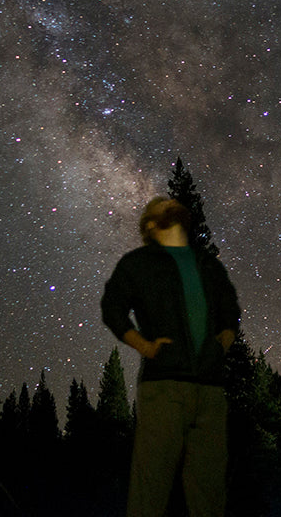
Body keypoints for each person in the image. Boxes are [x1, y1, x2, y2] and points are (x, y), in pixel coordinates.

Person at [101, 196, 241, 517]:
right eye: (161, 205)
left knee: (210, 494)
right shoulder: (137, 264)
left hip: (210, 392)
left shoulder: (207, 264)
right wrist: (144, 346)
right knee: (150, 489)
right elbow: (113, 308)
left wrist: (223, 343)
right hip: (163, 390)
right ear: (151, 224)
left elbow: (229, 308)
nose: (170, 201)